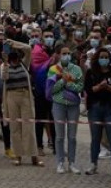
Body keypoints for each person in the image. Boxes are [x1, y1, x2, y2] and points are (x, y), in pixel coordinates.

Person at [1, 39, 42, 166]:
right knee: (15, 127)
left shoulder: (24, 63)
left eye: (16, 53)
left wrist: (13, 43)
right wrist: (5, 61)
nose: (14, 56)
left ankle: (33, 155)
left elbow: (28, 49)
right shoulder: (4, 65)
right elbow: (4, 77)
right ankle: (18, 155)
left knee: (28, 126)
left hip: (25, 96)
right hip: (11, 97)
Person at [84, 47, 111, 177]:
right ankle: (93, 164)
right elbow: (88, 90)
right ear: (97, 58)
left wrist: (108, 87)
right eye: (102, 57)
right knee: (95, 138)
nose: (104, 59)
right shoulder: (91, 73)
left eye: (106, 57)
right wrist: (99, 86)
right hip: (95, 108)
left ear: (110, 59)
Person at [46, 44, 84, 174]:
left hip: (73, 106)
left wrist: (67, 83)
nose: (66, 56)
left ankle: (72, 163)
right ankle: (60, 162)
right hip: (58, 105)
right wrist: (62, 81)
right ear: (58, 54)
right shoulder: (53, 70)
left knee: (72, 137)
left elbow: (79, 88)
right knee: (59, 136)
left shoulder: (77, 69)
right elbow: (52, 90)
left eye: (68, 53)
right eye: (64, 53)